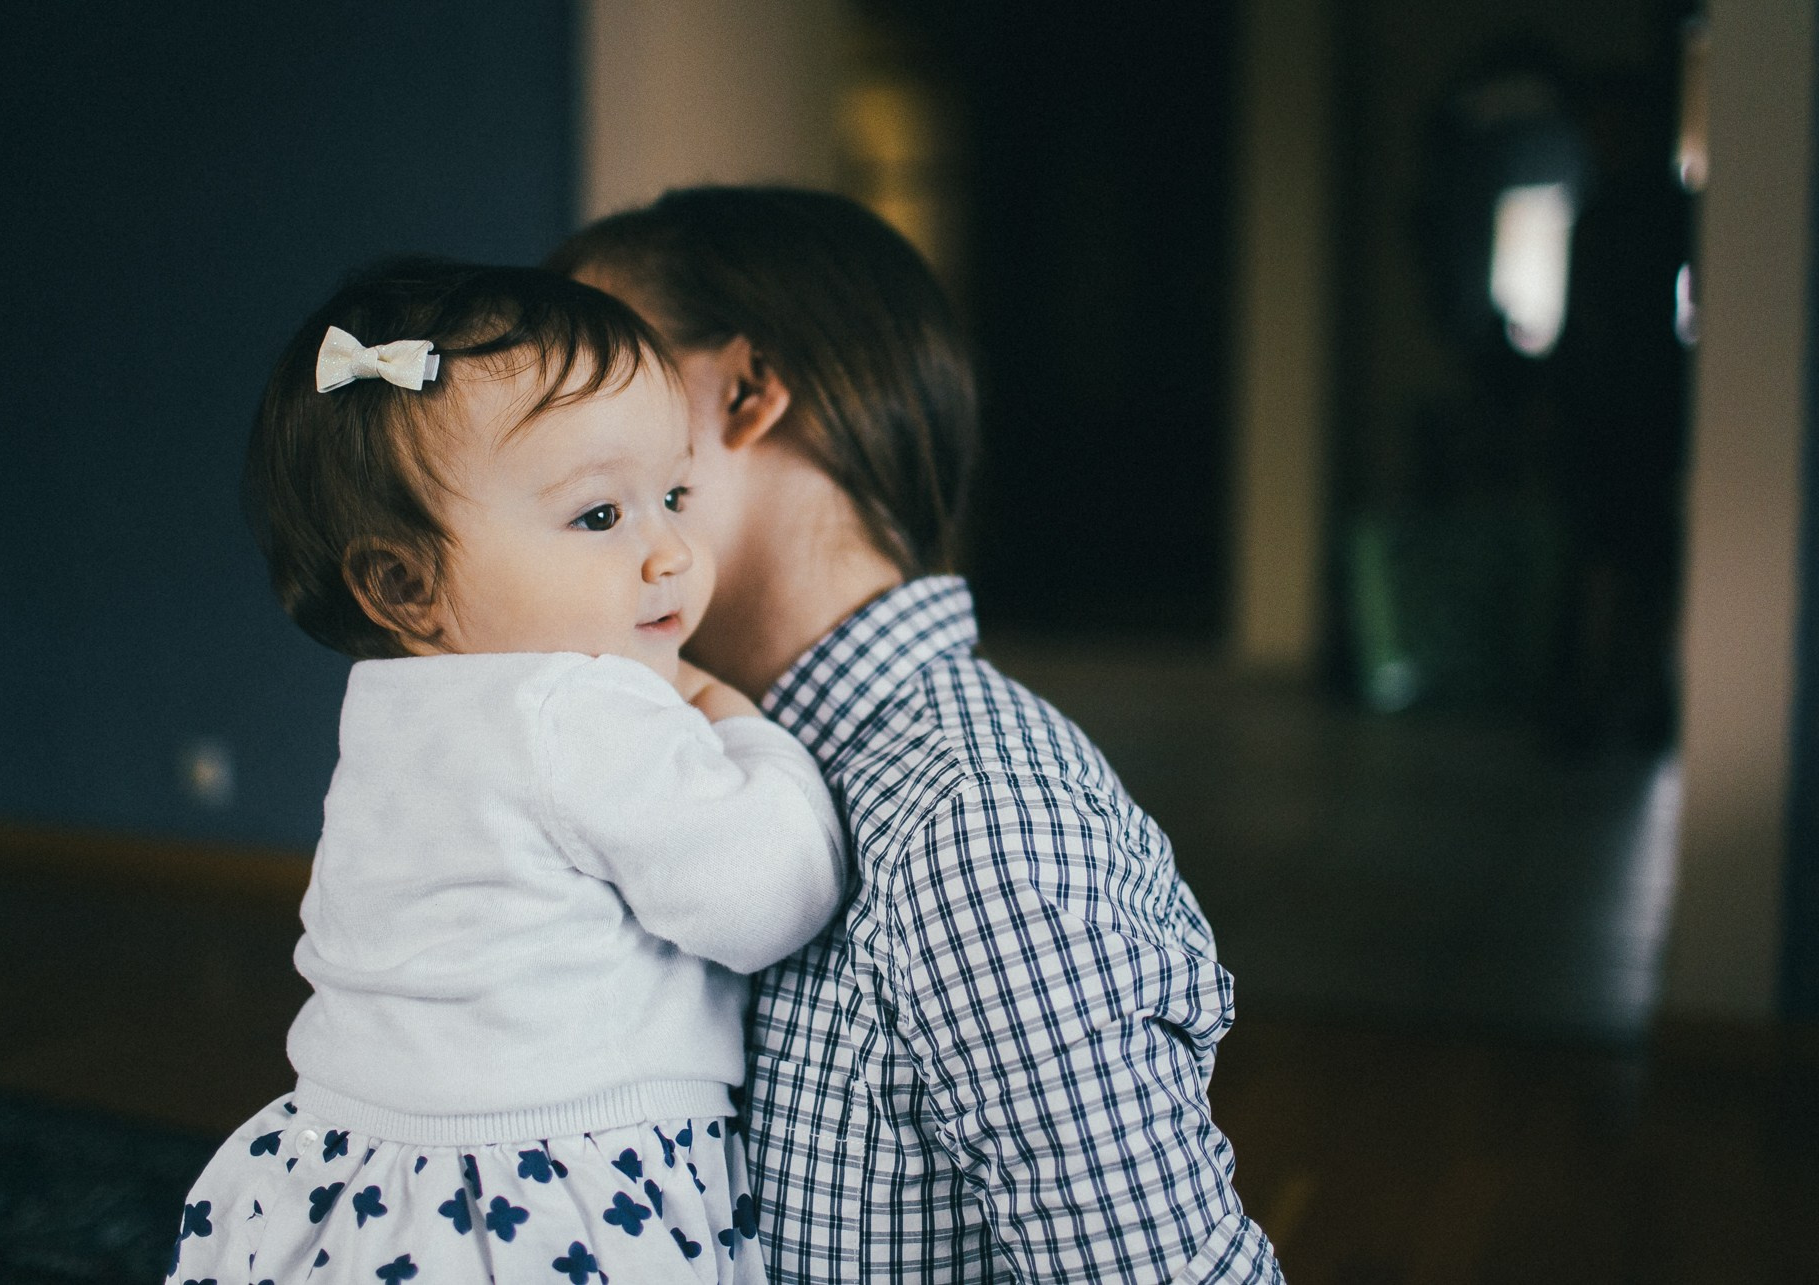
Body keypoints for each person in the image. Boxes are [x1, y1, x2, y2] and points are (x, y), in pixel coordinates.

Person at [547, 187, 1284, 1283]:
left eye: (592, 385)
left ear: (744, 393)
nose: (548, 446)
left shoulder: (973, 834)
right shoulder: (675, 765)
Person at [167, 259, 846, 1284]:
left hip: (351, 1165)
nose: (667, 553)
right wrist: (743, 725)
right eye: (599, 517)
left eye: (670, 495)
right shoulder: (576, 702)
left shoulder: (390, 707)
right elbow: (768, 897)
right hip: (545, 1186)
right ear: (405, 583)